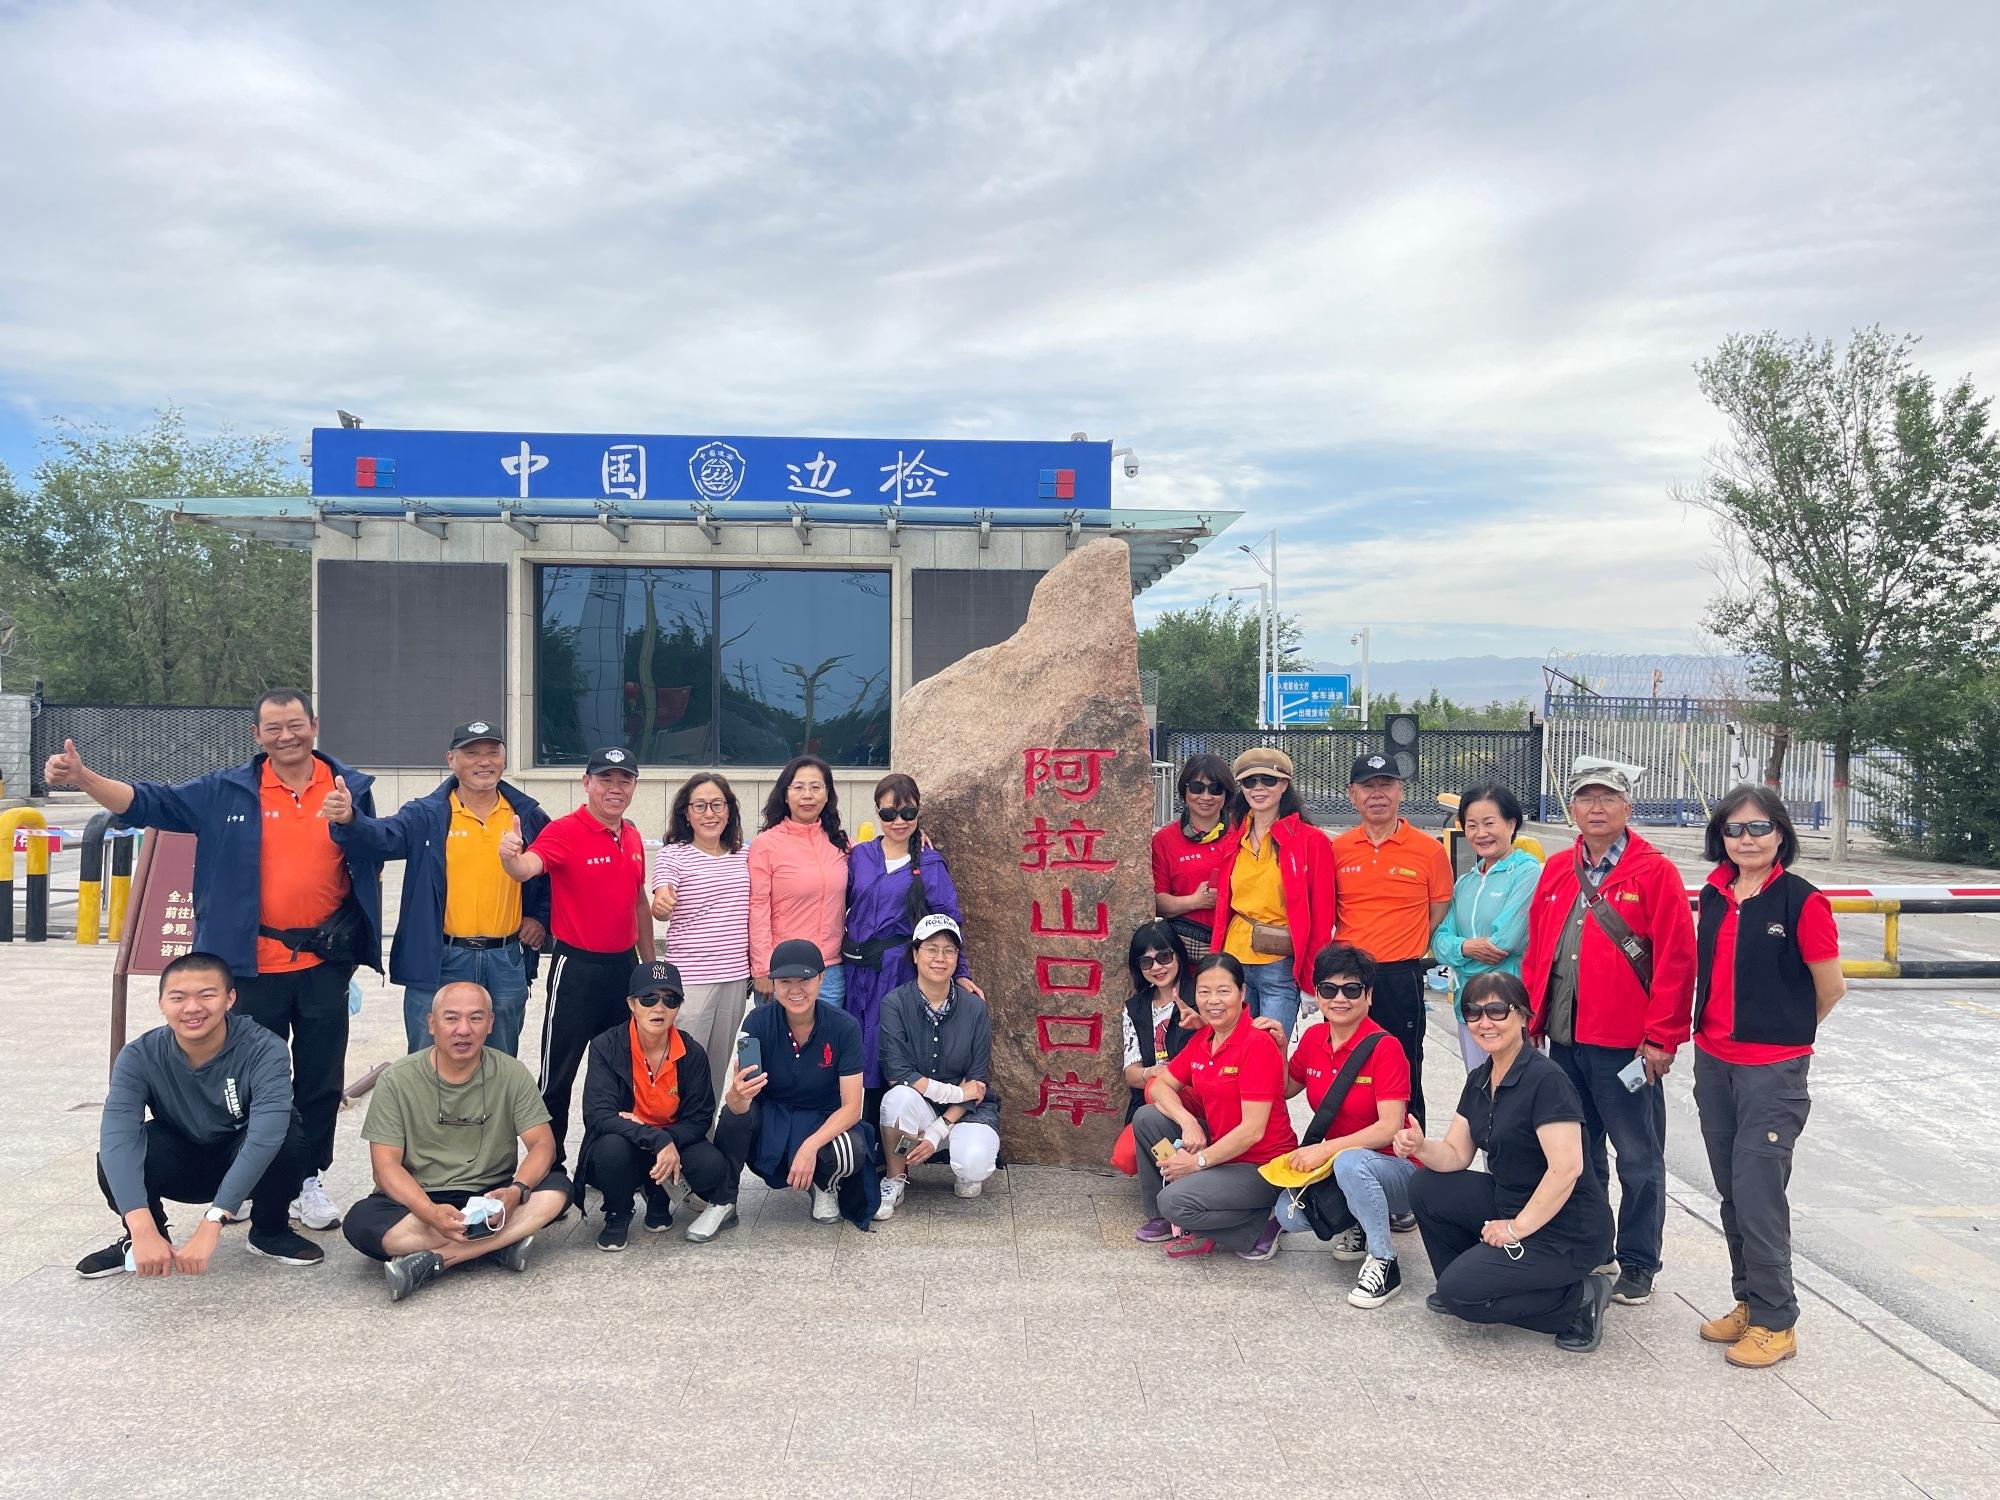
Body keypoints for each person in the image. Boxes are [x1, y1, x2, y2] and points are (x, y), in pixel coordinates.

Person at [43, 688, 381, 1233]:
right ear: (257, 735)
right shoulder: (225, 791)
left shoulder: (350, 788)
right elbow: (148, 802)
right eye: (273, 727)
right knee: (243, 1081)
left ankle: (306, 1178)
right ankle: (244, 1177)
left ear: (314, 725)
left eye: (295, 724)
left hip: (323, 963)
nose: (286, 735)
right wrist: (85, 778)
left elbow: (369, 852)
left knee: (320, 1080)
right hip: (247, 968)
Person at [1523, 762, 1696, 1309]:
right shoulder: (1556, 870)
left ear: (1629, 806)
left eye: (1608, 797)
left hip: (1626, 1046)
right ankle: (1596, 1244)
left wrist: (1663, 1037)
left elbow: (1676, 959)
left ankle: (1641, 1260)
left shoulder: (1654, 872)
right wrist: (1532, 1024)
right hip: (1565, 1041)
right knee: (1580, 1152)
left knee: (1639, 1157)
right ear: (1571, 808)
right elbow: (1538, 953)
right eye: (1585, 797)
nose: (1596, 807)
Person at [1692, 786, 1845, 1368]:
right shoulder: (1715, 894)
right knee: (1731, 1190)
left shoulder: (1802, 902)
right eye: (1734, 830)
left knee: (1759, 1194)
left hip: (1770, 1072)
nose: (1746, 839)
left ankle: (1778, 1321)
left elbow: (1829, 989)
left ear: (1780, 833)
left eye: (1758, 828)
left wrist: (1783, 1037)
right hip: (1714, 1061)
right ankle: (1750, 1303)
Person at [1399, 972, 1615, 1353]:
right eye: (1474, 1012)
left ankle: (1578, 1299)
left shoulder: (1547, 1079)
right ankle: (1467, 1281)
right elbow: (1454, 1155)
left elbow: (1567, 1168)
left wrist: (1516, 1229)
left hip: (1566, 1228)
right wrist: (1419, 1146)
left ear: (1523, 1015)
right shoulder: (1481, 1077)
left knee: (1462, 1296)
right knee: (1425, 1186)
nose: (1485, 1022)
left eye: (1497, 1010)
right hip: (1509, 1200)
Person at [77, 952, 323, 1278]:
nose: (192, 1008)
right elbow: (118, 1136)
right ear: (161, 1003)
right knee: (115, 1155)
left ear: (230, 998)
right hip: (182, 1157)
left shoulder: (265, 1049)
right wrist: (140, 1224)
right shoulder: (139, 1055)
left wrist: (214, 1220)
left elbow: (266, 1136)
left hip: (245, 1160)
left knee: (288, 1139)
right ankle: (146, 1239)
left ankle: (270, 1230)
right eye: (178, 998)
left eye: (207, 995)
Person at [328, 719, 550, 1057]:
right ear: (451, 760)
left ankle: (493, 1113)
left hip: (505, 959)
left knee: (501, 1060)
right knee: (427, 1057)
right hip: (441, 958)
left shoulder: (528, 815)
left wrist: (539, 917)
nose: (484, 761)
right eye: (472, 753)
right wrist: (349, 819)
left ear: (504, 760)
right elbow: (380, 839)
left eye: (492, 752)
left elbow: (552, 871)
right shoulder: (426, 815)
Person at [342, 982, 572, 1301]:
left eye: (475, 1018)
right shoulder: (397, 1079)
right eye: (451, 1019)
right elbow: (384, 1168)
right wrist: (429, 1213)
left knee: (558, 1189)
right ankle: (497, 1246)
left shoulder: (511, 1073)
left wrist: (515, 1191)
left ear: (490, 1023)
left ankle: (441, 1259)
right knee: (359, 1222)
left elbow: (543, 1145)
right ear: (432, 1024)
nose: (463, 1030)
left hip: (491, 1194)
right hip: (419, 1199)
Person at [498, 746, 654, 1168]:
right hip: (577, 971)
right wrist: (510, 857)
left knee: (621, 1077)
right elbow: (528, 868)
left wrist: (652, 967)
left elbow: (638, 903)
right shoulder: (565, 831)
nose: (615, 788)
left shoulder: (634, 835)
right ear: (587, 783)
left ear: (634, 786)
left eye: (624, 780)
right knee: (558, 1076)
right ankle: (549, 1169)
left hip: (624, 970)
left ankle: (606, 1165)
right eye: (605, 779)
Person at [1257, 943, 1416, 1309]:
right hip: (1342, 1166)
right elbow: (1284, 1089)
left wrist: (1325, 1148)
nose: (1339, 998)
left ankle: (1384, 1261)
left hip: (1395, 1170)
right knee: (1288, 1213)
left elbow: (1390, 1125)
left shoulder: (1385, 1047)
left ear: (1369, 995)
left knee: (1350, 1162)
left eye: (1352, 989)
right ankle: (1356, 1225)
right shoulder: (1314, 1038)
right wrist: (1280, 1047)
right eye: (1328, 989)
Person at [693, 939, 878, 1241]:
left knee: (850, 1151)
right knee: (732, 1114)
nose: (795, 990)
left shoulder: (844, 1027)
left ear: (821, 978)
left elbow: (852, 1107)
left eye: (804, 979)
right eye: (785, 981)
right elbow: (742, 1099)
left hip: (822, 1118)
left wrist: (810, 1147)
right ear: (773, 984)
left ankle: (824, 1185)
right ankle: (723, 1200)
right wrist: (737, 1096)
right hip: (773, 1119)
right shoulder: (757, 1022)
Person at [1130, 954, 1298, 1260]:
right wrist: (1187, 1122)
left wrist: (1197, 1163)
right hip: (1223, 1150)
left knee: (1175, 1202)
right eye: (1204, 992)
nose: (1213, 1001)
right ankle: (1167, 1219)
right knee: (1147, 1117)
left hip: (1261, 1166)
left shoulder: (1256, 1044)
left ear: (1242, 993)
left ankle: (1262, 1221)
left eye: (1223, 991)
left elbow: (1252, 1131)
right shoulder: (1205, 1038)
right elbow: (1159, 1085)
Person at [1330, 752, 1452, 1130]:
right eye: (1367, 786)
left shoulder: (1429, 850)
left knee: (1403, 1064)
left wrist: (1403, 941)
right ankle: (1348, 1149)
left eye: (1386, 784)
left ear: (1400, 791)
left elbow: (1439, 909)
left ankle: (1409, 1160)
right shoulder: (1338, 849)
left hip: (1400, 977)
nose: (1377, 794)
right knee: (1347, 1066)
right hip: (1347, 980)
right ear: (1352, 794)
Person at [572, 961, 732, 1251]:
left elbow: (699, 1119)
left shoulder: (691, 1052)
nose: (660, 1008)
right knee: (610, 1149)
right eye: (649, 998)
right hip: (626, 1142)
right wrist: (655, 1137)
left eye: (670, 999)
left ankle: (658, 1196)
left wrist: (666, 1139)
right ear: (631, 1003)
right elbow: (598, 1115)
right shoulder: (606, 1046)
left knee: (712, 1165)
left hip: (669, 1141)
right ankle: (617, 1212)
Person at [842, 773, 980, 1100]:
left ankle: (881, 1129)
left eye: (908, 814)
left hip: (894, 970)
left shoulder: (930, 863)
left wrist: (959, 973)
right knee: (850, 1045)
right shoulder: (860, 855)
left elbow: (949, 921)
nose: (899, 822)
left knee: (886, 1045)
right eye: (889, 814)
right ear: (877, 813)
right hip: (852, 971)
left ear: (918, 813)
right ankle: (849, 1125)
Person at [875, 915, 999, 1217]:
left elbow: (977, 1082)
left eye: (949, 950)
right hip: (919, 1107)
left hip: (966, 1112)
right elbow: (897, 1073)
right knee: (897, 1100)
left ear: (957, 958)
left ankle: (959, 1163)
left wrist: (935, 1132)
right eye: (931, 949)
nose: (940, 958)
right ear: (916, 955)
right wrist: (955, 1093)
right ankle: (896, 1175)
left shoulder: (974, 1007)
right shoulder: (895, 1004)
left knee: (974, 1163)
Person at [1207, 747, 1334, 1032]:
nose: (1259, 788)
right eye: (1250, 782)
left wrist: (1311, 978)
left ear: (1285, 784)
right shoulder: (1233, 839)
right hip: (1234, 961)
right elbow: (1223, 908)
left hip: (1280, 963)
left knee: (1271, 1053)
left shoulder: (1311, 842)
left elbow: (1323, 915)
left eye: (1268, 780)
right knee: (1234, 1052)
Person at [650, 772, 752, 1105]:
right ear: (687, 813)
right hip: (691, 982)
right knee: (682, 1071)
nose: (709, 814)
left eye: (717, 805)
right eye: (700, 806)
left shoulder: (745, 855)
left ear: (729, 811)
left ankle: (703, 1148)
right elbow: (662, 899)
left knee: (716, 1071)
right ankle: (675, 1147)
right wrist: (662, 903)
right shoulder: (673, 855)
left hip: (735, 980)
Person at [1431, 782, 1540, 1071]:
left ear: (1511, 823)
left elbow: (1504, 942)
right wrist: (1466, 947)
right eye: (1472, 825)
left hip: (1508, 1009)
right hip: (1468, 1009)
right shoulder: (1465, 882)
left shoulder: (1527, 873)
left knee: (1515, 1098)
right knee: (1478, 1092)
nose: (1481, 833)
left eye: (1489, 823)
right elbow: (1440, 941)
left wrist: (1459, 954)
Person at [747, 755, 850, 1007]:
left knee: (825, 1046)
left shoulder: (840, 844)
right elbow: (758, 907)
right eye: (799, 787)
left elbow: (884, 853)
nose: (808, 795)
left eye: (816, 787)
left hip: (829, 972)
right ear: (785, 794)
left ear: (827, 795)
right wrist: (761, 969)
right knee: (779, 1047)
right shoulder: (766, 845)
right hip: (782, 971)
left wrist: (915, 837)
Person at [1152, 754, 1235, 958]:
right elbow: (1155, 901)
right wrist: (1195, 901)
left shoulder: (1242, 835)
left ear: (1226, 794)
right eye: (1197, 788)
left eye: (1215, 789)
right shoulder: (1165, 840)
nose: (1206, 797)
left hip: (1235, 950)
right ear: (1185, 790)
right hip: (1183, 952)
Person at [1121, 918, 1199, 1121]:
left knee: (1156, 1089)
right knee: (1124, 1153)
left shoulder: (1201, 994)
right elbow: (1132, 1074)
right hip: (1150, 1104)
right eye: (1147, 962)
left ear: (1178, 956)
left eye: (1164, 956)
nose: (1156, 967)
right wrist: (1153, 1072)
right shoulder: (1135, 1008)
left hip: (1195, 1098)